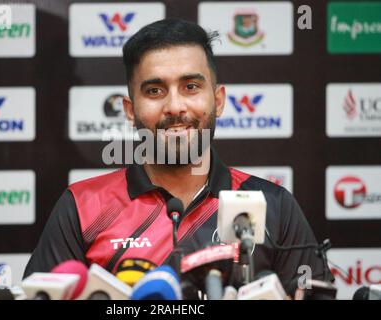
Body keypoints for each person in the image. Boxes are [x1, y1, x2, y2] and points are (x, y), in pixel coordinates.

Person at [24, 19, 330, 297]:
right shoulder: (82, 206)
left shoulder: (274, 205)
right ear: (130, 111)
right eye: (155, 90)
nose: (175, 106)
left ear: (218, 100)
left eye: (191, 87)